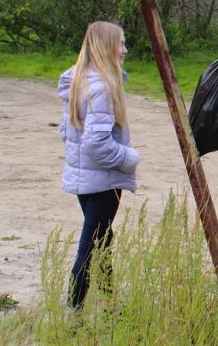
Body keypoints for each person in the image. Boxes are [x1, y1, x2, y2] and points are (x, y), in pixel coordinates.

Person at [58, 21, 140, 309]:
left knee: (102, 238)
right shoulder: (103, 87)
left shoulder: (79, 80)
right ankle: (73, 310)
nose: (124, 50)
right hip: (104, 179)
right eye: (120, 43)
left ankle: (110, 303)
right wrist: (129, 159)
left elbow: (66, 131)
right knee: (91, 244)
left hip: (86, 177)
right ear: (105, 47)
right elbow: (96, 143)